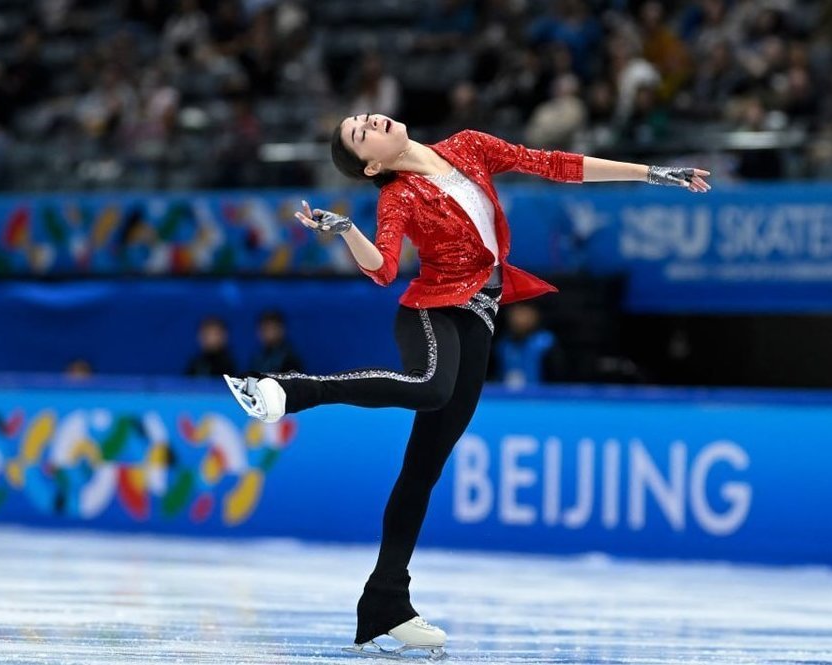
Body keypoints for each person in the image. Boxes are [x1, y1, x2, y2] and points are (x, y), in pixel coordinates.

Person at [223, 113, 710, 657]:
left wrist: (650, 173)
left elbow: (554, 164)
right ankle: (291, 389)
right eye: (362, 134)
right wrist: (347, 231)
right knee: (432, 386)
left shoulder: (469, 146)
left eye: (364, 119)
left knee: (423, 470)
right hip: (432, 311)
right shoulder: (398, 196)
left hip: (479, 316)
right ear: (373, 166)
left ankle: (386, 603)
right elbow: (383, 269)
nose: (372, 121)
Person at [247, 309, 304, 374]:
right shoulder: (257, 358)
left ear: (281, 330)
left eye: (270, 329)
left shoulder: (290, 360)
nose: (265, 333)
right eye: (262, 329)